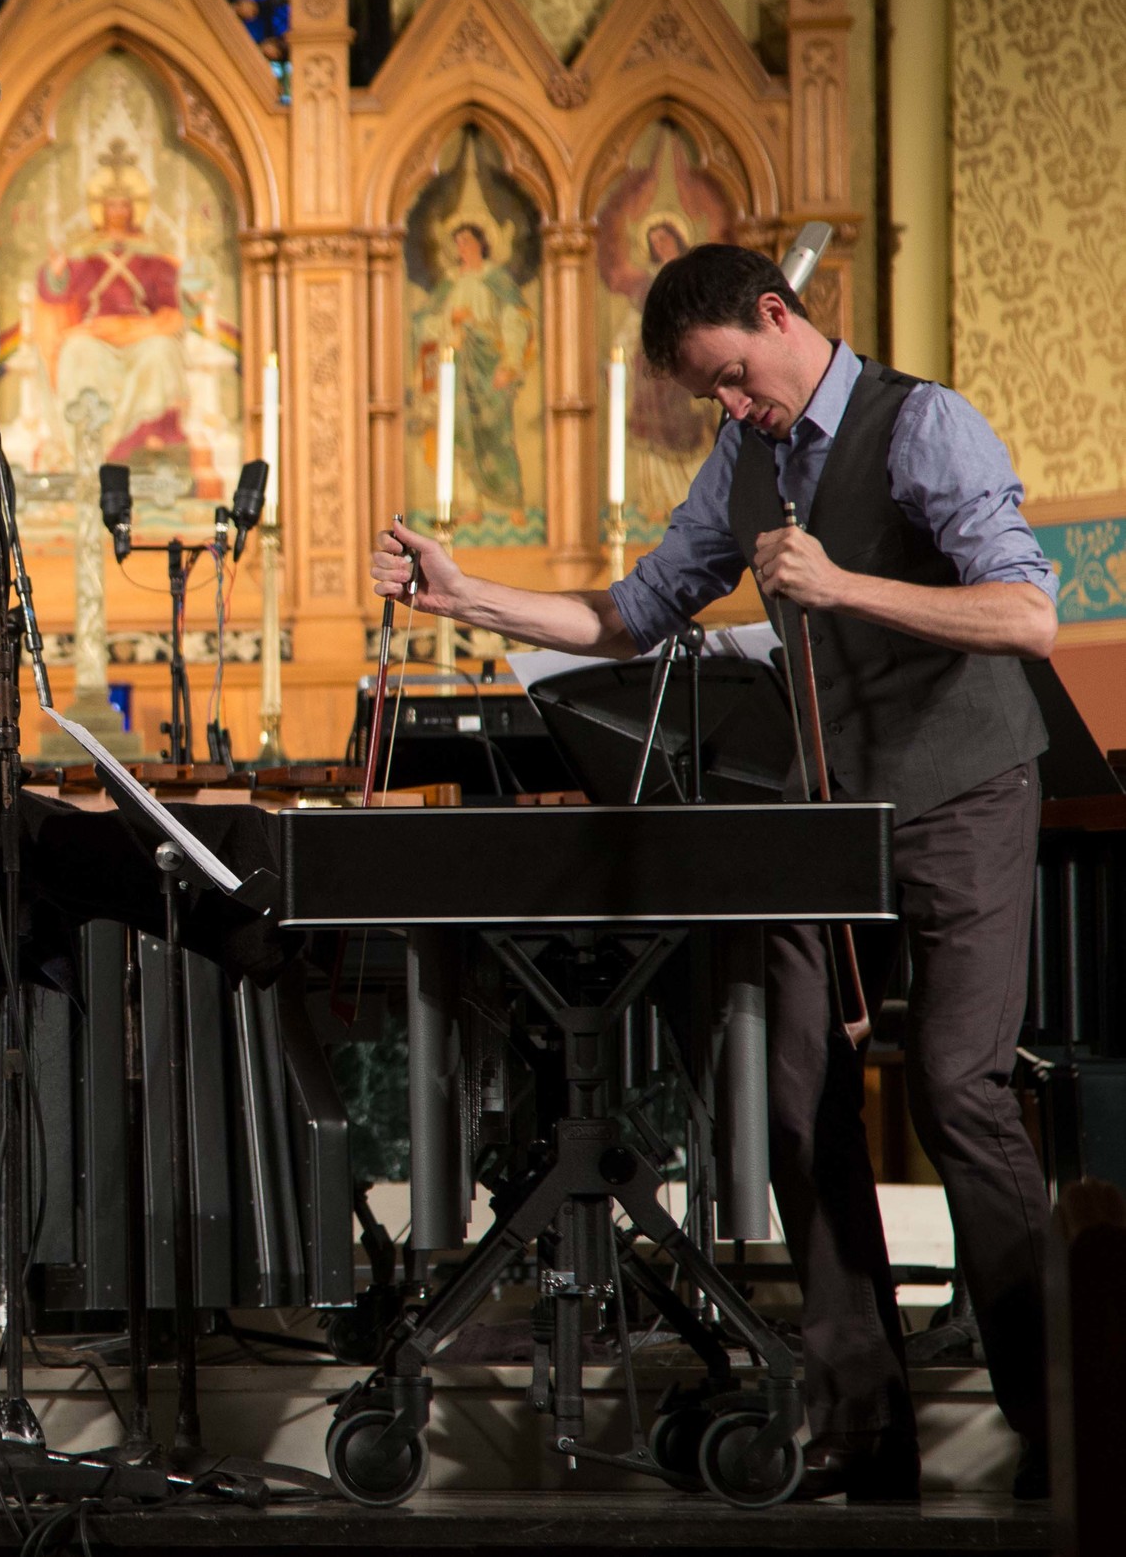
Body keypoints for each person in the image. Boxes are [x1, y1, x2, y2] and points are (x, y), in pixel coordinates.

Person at [369, 243, 1056, 1503]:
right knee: (795, 1105)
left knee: (961, 1091)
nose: (731, 410)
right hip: (816, 817)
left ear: (777, 318)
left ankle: (1061, 1413)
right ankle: (865, 1425)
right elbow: (630, 616)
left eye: (734, 379)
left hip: (960, 792)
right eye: (712, 397)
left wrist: (843, 584)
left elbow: (1025, 614)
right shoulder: (749, 457)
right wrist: (467, 596)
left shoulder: (924, 425)